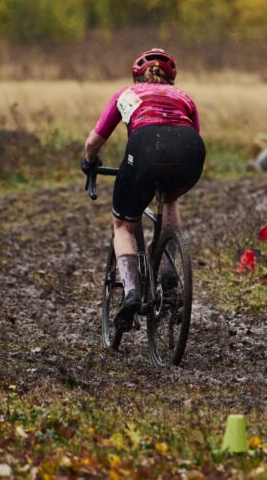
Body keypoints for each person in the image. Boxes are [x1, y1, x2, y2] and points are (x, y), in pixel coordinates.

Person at [82, 48, 205, 327]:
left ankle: (132, 294)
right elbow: (192, 133)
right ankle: (169, 275)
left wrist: (89, 162)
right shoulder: (184, 97)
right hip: (190, 148)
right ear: (171, 78)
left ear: (137, 75)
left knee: (123, 225)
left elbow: (94, 142)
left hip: (145, 145)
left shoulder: (126, 94)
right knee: (169, 198)